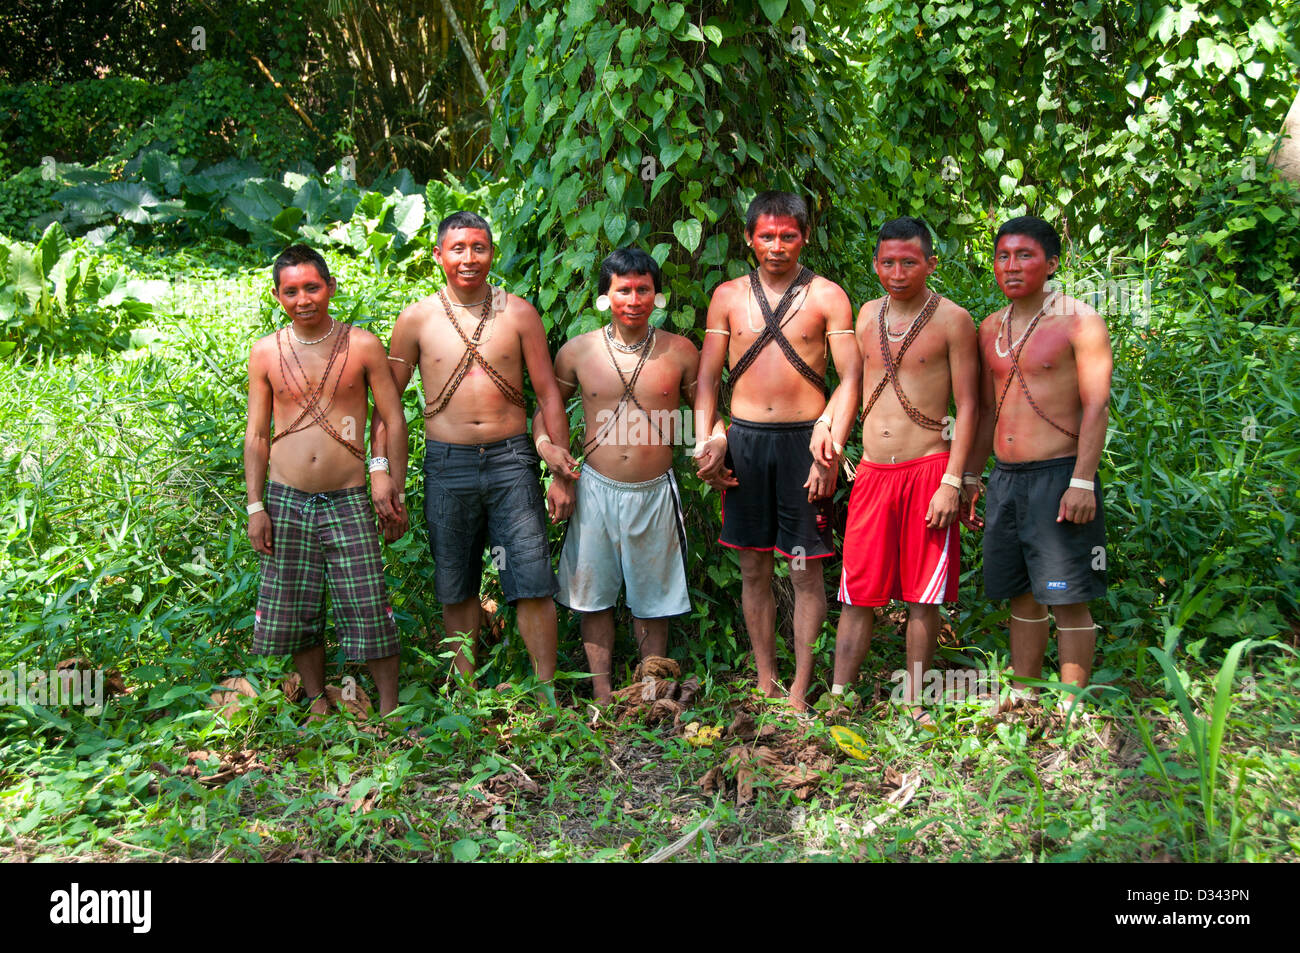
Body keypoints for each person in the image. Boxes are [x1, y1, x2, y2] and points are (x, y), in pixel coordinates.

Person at [374, 211, 577, 700]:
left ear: (493, 253)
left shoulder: (519, 313)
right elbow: (387, 405)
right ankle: (466, 697)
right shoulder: (416, 319)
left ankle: (547, 694)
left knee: (530, 577)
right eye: (458, 248)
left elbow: (549, 395)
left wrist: (561, 470)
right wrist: (381, 470)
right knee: (455, 580)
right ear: (438, 255)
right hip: (448, 464)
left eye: (479, 247)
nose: (469, 258)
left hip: (513, 462)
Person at [694, 191, 862, 711]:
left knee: (805, 568)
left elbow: (852, 376)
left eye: (788, 235)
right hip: (743, 442)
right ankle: (766, 675)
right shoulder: (726, 296)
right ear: (749, 238)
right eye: (766, 235)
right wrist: (708, 443)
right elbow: (705, 382)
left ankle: (800, 686)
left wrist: (829, 437)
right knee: (753, 569)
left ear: (805, 237)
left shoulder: (828, 296)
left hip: (803, 447)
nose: (777, 246)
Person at [244, 244, 409, 717]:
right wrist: (256, 506)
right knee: (297, 606)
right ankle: (317, 702)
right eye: (291, 291)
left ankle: (389, 709)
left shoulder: (362, 345)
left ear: (330, 287)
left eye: (312, 287)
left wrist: (389, 483)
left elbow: (391, 419)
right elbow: (257, 435)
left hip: (349, 495)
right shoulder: (266, 353)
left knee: (368, 600)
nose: (303, 299)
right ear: (277, 296)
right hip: (286, 496)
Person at [533, 248, 701, 703]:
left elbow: (705, 415)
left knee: (655, 596)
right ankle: (604, 694)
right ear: (605, 297)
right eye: (622, 289)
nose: (634, 298)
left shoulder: (681, 352)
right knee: (593, 593)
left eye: (643, 289)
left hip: (655, 491)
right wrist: (551, 456)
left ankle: (652, 692)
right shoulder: (578, 352)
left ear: (657, 295)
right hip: (595, 488)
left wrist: (714, 445)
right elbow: (545, 415)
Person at [832, 217, 980, 719]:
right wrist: (827, 433)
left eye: (909, 262)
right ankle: (838, 697)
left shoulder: (953, 320)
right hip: (873, 472)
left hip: (927, 468)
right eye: (888, 262)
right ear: (875, 264)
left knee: (923, 595)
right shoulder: (867, 314)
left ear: (931, 264)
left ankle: (915, 702)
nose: (898, 272)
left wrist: (953, 481)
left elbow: (970, 406)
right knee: (857, 590)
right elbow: (852, 384)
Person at [967, 215, 1112, 705]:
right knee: (1022, 594)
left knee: (1068, 594)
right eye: (1002, 256)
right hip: (1006, 478)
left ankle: (1072, 707)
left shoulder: (1079, 320)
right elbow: (986, 410)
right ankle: (1025, 694)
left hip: (1059, 474)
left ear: (1052, 263)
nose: (1011, 266)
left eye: (1024, 255)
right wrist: (970, 475)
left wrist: (1083, 482)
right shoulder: (990, 327)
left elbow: (1097, 405)